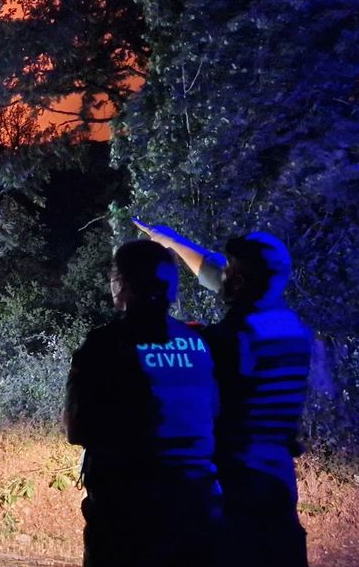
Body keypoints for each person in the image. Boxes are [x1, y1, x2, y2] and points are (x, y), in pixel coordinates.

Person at [136, 218, 312, 567]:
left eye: (233, 270)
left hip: (238, 482)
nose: (225, 273)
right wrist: (171, 240)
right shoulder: (291, 327)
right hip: (277, 475)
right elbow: (220, 276)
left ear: (243, 281)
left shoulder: (234, 338)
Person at [65, 239, 221, 567]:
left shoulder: (104, 344)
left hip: (126, 518)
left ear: (121, 284)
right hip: (197, 511)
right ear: (172, 288)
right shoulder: (200, 343)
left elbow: (77, 428)